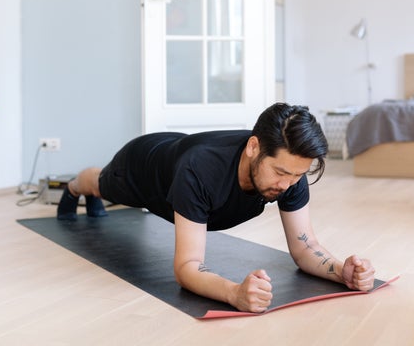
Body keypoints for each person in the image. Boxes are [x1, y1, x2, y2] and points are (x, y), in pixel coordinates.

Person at [57, 102, 375, 313]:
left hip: (179, 152)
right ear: (254, 148)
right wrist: (234, 294)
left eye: (297, 176)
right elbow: (187, 266)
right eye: (280, 173)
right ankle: (72, 187)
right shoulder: (200, 171)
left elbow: (307, 247)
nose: (288, 185)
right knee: (99, 183)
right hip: (142, 166)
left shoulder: (289, 172)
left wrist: (340, 271)